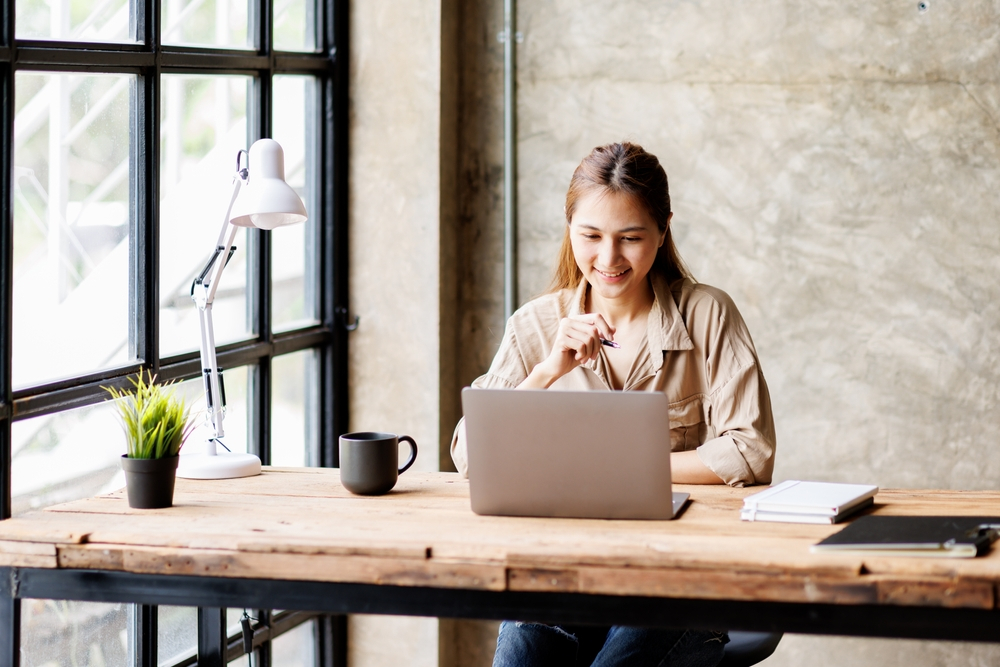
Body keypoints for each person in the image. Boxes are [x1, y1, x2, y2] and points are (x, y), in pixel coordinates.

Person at [451, 142, 776, 667]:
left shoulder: (708, 313)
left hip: (679, 582)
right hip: (557, 579)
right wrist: (547, 369)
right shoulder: (534, 324)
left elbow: (750, 451)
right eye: (591, 236)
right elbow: (471, 455)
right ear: (569, 229)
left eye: (630, 239)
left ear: (664, 230)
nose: (608, 259)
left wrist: (619, 474)